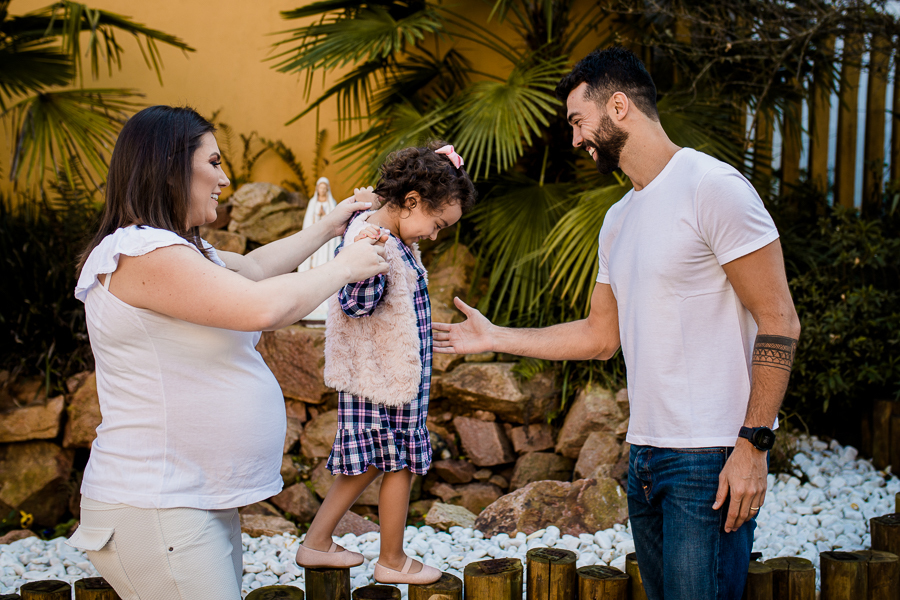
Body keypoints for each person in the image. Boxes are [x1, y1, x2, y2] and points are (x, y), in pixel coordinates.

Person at [433, 48, 801, 600]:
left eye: (579, 121)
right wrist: (495, 337)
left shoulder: (712, 187)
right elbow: (600, 337)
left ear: (620, 106)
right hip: (646, 457)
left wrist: (753, 446)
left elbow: (780, 321)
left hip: (711, 458)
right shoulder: (618, 218)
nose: (576, 139)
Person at [67, 105, 389, 600]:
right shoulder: (139, 253)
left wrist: (330, 226)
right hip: (156, 504)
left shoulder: (180, 250)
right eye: (214, 162)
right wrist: (345, 267)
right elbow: (260, 307)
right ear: (171, 166)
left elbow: (256, 268)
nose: (225, 177)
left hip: (191, 500)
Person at [295, 142, 477, 585]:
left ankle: (346, 548)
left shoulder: (392, 235)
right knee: (387, 463)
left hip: (393, 374)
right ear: (412, 202)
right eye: (436, 225)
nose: (435, 235)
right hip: (376, 377)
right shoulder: (373, 239)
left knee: (392, 461)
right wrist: (369, 261)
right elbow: (354, 303)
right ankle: (363, 553)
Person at [298, 177, 340, 321]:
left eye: (324, 188)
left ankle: (325, 306)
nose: (322, 190)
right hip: (315, 245)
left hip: (326, 246)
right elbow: (308, 223)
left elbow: (333, 223)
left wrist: (325, 216)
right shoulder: (312, 203)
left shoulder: (331, 203)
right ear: (317, 189)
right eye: (320, 187)